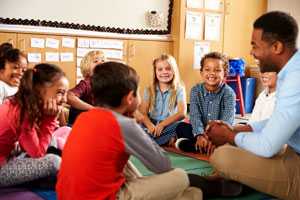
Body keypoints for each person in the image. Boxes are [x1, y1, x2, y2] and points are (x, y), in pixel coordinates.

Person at [56, 61, 202, 200]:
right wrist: (134, 125)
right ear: (130, 98)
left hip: (66, 195)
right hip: (106, 197)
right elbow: (163, 166)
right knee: (181, 177)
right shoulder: (124, 125)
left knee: (121, 159)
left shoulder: (84, 118)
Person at [206, 11, 300, 200]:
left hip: (295, 163)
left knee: (222, 156)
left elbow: (267, 147)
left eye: (255, 46)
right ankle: (238, 183)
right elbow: (281, 120)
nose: (251, 52)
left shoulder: (295, 79)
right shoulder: (291, 70)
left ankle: (234, 184)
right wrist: (243, 128)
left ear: (277, 47)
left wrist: (229, 135)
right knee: (241, 144)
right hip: (292, 153)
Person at [0, 63, 69, 187]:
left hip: (9, 154)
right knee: (54, 161)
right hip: (2, 168)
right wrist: (50, 119)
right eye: (60, 92)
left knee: (64, 131)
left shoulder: (21, 104)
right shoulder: (22, 113)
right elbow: (37, 154)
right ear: (38, 90)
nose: (65, 99)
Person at [175, 52, 236, 154]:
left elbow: (227, 121)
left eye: (217, 70)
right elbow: (195, 115)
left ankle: (191, 146)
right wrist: (200, 135)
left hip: (220, 133)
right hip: (200, 131)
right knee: (180, 127)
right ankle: (206, 147)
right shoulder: (195, 90)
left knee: (234, 138)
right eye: (207, 69)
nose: (212, 73)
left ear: (225, 73)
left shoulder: (229, 93)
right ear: (201, 72)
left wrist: (215, 139)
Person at [139, 54, 187, 145]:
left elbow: (182, 113)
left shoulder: (179, 89)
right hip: (152, 123)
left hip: (169, 124)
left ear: (174, 71)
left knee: (181, 126)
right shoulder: (149, 90)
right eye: (160, 69)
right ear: (155, 72)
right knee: (135, 124)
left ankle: (150, 139)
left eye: (168, 69)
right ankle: (164, 139)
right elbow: (143, 113)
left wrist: (162, 125)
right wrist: (150, 126)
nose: (164, 72)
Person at [67, 50, 105, 125]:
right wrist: (92, 109)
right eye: (96, 61)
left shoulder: (104, 84)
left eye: (103, 61)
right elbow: (69, 96)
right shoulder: (86, 83)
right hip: (77, 125)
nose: (100, 63)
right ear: (87, 67)